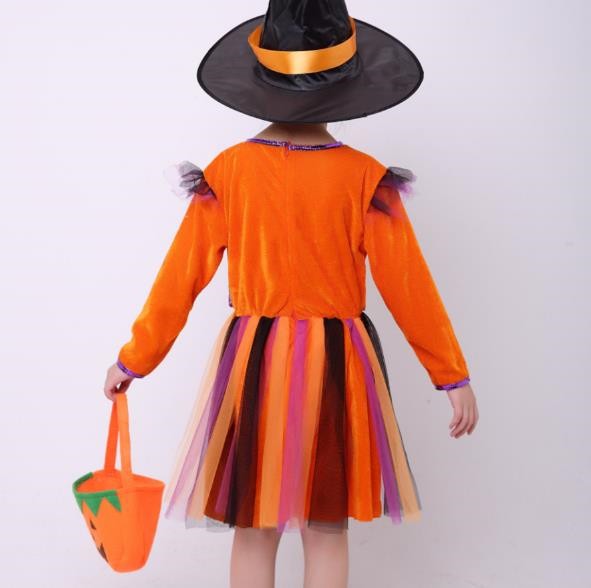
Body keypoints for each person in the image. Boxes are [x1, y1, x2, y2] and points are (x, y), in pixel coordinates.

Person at [104, 2, 479, 587]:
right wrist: (450, 375)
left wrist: (135, 359)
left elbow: (180, 277)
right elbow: (410, 287)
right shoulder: (364, 177)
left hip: (256, 363)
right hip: (338, 365)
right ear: (345, 86)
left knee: (255, 527)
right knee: (326, 528)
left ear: (261, 81)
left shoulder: (229, 171)